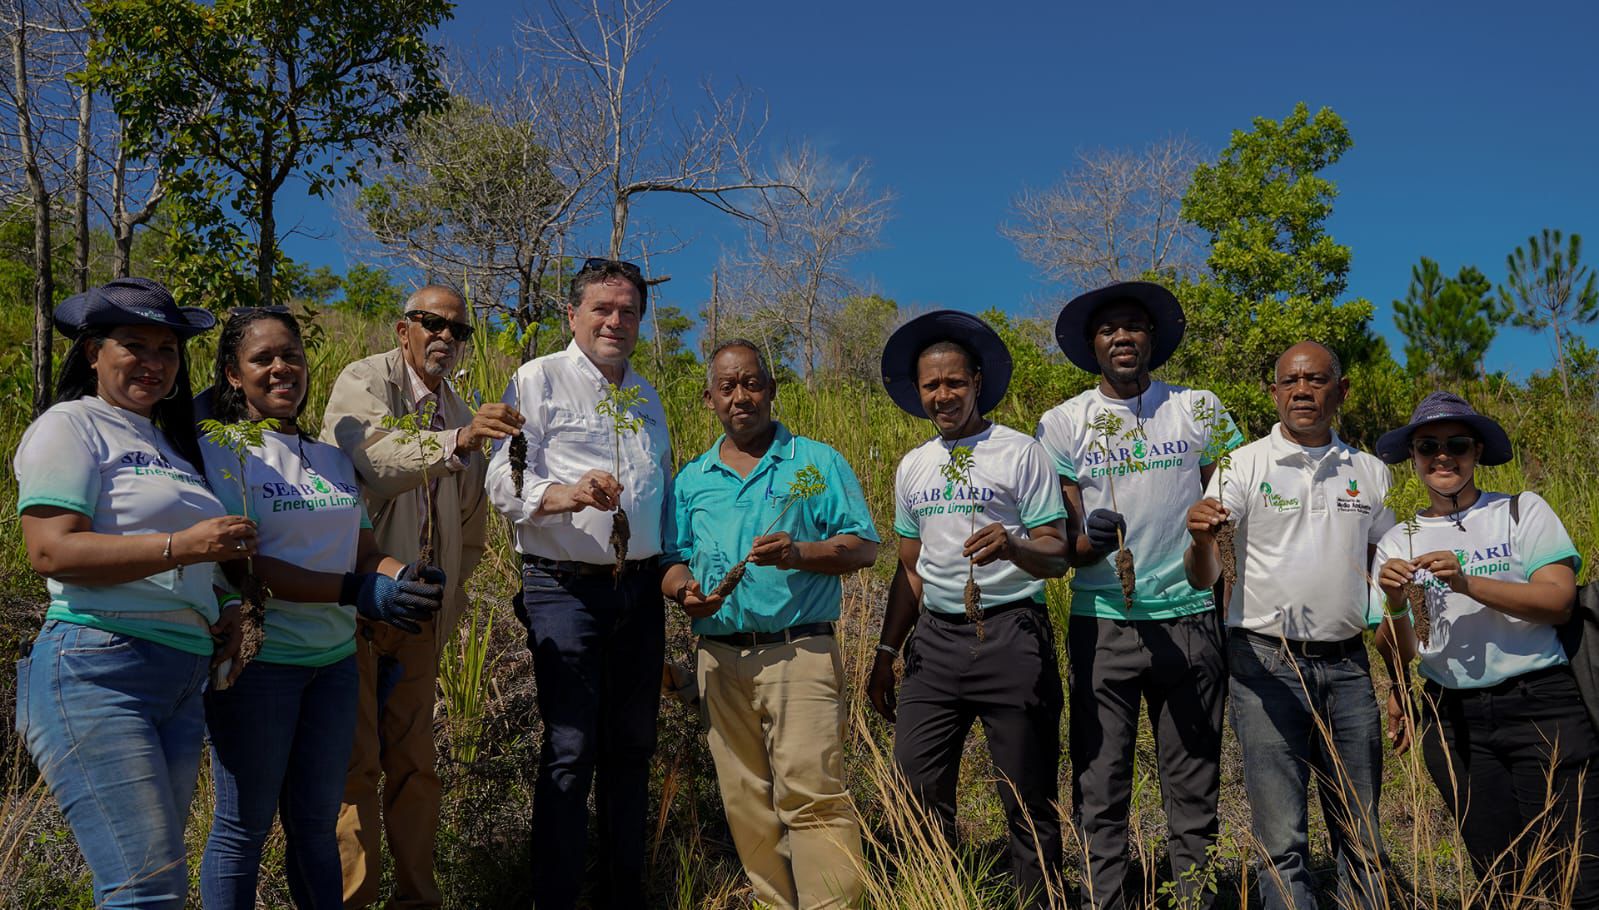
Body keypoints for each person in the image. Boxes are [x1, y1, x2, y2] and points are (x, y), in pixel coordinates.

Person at [13, 278, 258, 909]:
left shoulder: (171, 446)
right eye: (134, 345)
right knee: (145, 889)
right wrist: (186, 547)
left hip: (180, 677)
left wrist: (226, 606)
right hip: (100, 666)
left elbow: (195, 551)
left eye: (167, 350)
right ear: (93, 352)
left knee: (155, 884)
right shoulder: (71, 425)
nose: (153, 362)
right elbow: (51, 550)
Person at [198, 307, 446, 909]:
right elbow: (243, 563)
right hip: (261, 665)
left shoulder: (331, 458)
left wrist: (399, 577)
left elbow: (363, 551)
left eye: (292, 355)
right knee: (242, 832)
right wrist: (352, 592)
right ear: (233, 374)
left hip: (334, 666)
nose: (282, 368)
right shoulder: (223, 451)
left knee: (315, 827)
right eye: (263, 359)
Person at [1035, 281, 1240, 909]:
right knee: (1101, 783)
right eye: (1108, 330)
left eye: (1133, 327)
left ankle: (1195, 898)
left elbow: (1229, 513)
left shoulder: (1198, 409)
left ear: (1152, 338)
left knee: (1194, 781)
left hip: (1192, 619)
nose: (1122, 337)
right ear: (1092, 345)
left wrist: (1230, 613)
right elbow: (1065, 548)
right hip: (1103, 626)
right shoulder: (1063, 423)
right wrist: (1091, 541)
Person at [662, 339, 879, 909]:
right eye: (728, 387)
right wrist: (685, 591)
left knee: (812, 795)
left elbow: (862, 549)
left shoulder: (817, 462)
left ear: (772, 390)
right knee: (745, 800)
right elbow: (671, 557)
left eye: (752, 383)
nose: (741, 397)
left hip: (798, 651)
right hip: (719, 657)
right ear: (709, 399)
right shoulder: (691, 480)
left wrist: (799, 553)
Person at [866, 310, 1071, 909]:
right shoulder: (914, 465)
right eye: (931, 386)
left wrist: (1013, 544)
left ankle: (1041, 900)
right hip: (935, 643)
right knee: (916, 786)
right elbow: (910, 568)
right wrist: (886, 653)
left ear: (978, 381)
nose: (943, 395)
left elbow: (1057, 554)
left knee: (1027, 795)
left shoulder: (1020, 452)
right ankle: (939, 894)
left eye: (954, 382)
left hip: (1012, 635)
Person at [485, 257, 672, 909]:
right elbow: (498, 478)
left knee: (632, 748)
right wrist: (561, 495)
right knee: (569, 748)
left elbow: (659, 494)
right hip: (563, 590)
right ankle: (555, 898)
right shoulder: (536, 380)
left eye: (627, 311)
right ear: (572, 314)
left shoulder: (645, 395)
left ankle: (624, 892)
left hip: (640, 594)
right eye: (601, 308)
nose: (614, 321)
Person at [1184, 341, 1394, 910]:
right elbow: (1204, 575)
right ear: (1273, 392)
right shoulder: (1240, 465)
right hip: (1264, 663)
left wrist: (1396, 678)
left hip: (1349, 667)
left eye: (1317, 380)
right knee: (1282, 840)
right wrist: (1201, 537)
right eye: (1291, 382)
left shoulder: (1370, 473)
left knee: (1363, 832)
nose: (1303, 391)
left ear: (1340, 391)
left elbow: (1386, 575)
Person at [321, 284, 511, 908]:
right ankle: (351, 897)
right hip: (354, 608)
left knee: (416, 769)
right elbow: (373, 459)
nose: (446, 338)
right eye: (432, 323)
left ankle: (417, 897)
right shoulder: (366, 381)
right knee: (356, 769)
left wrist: (444, 615)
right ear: (403, 329)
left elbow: (474, 533)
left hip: (421, 620)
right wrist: (456, 443)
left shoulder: (460, 410)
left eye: (459, 330)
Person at [1371, 391, 1599, 907]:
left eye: (1457, 444)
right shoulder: (1398, 539)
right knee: (1500, 876)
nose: (1443, 456)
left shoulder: (1521, 511)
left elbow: (1558, 600)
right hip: (1455, 720)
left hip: (1542, 705)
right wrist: (1393, 601)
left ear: (1477, 453)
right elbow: (1401, 649)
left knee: (1577, 872)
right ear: (1414, 458)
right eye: (1429, 446)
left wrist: (1467, 583)